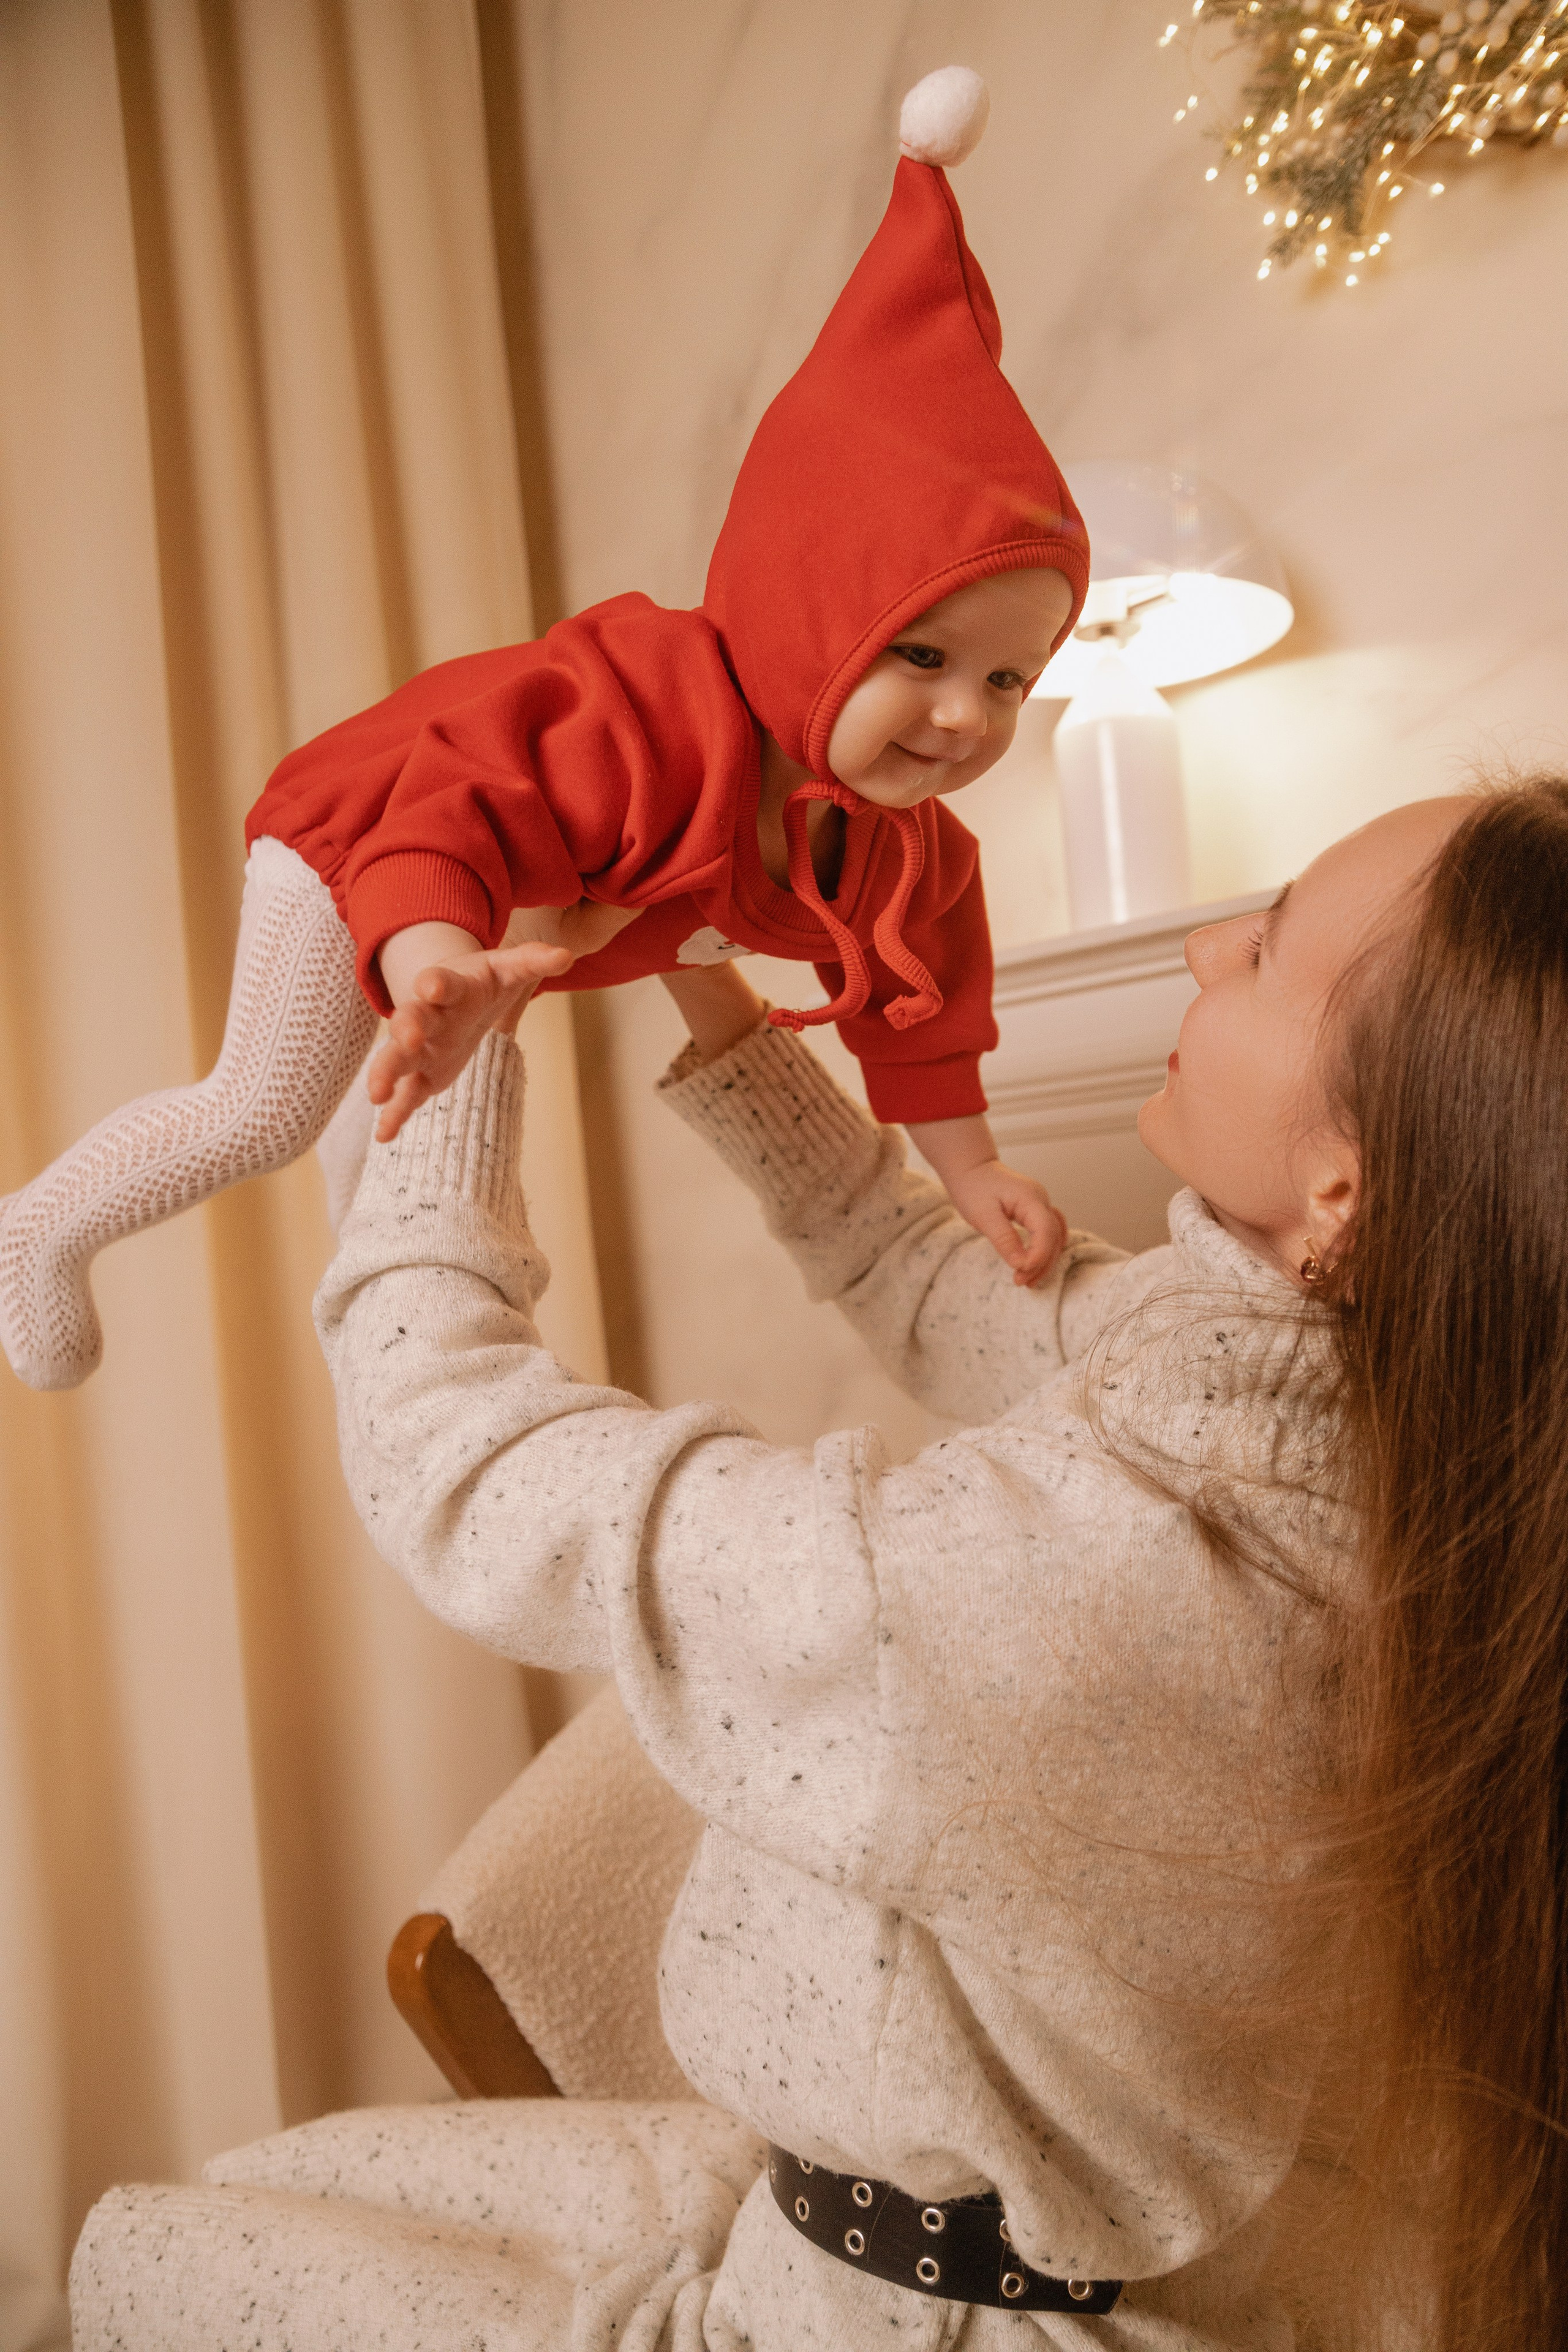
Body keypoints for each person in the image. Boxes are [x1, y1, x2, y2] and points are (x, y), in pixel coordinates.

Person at [70, 777, 1568, 2352]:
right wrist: (704, 967)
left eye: (1263, 951)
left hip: (892, 2319)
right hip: (872, 2220)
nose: (1205, 949)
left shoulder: (1084, 1588)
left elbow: (467, 1465)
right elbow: (921, 1273)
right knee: (259, 2187)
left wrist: (450, 1059)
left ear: (1346, 1182)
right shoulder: (1379, 1413)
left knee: (142, 2265)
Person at [0, 65, 1088, 1396]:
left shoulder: (910, 860)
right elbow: (448, 810)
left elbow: (926, 1026)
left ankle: (380, 1336)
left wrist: (973, 1173)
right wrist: (437, 963)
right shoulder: (639, 714)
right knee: (267, 1109)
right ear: (808, 619)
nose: (964, 715)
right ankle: (37, 1228)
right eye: (920, 657)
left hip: (482, 921)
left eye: (1008, 681)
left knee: (382, 1143)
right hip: (369, 832)